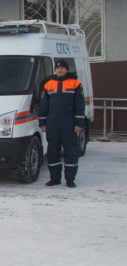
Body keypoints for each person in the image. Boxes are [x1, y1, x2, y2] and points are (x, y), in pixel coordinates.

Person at [38, 59, 86, 187]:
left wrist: (79, 124)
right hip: (52, 123)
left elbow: (80, 106)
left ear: (67, 69)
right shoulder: (48, 85)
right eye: (57, 68)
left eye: (62, 68)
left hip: (69, 123)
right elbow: (44, 106)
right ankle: (55, 178)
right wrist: (42, 122)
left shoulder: (75, 84)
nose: (59, 70)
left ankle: (70, 179)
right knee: (52, 151)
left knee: (70, 151)